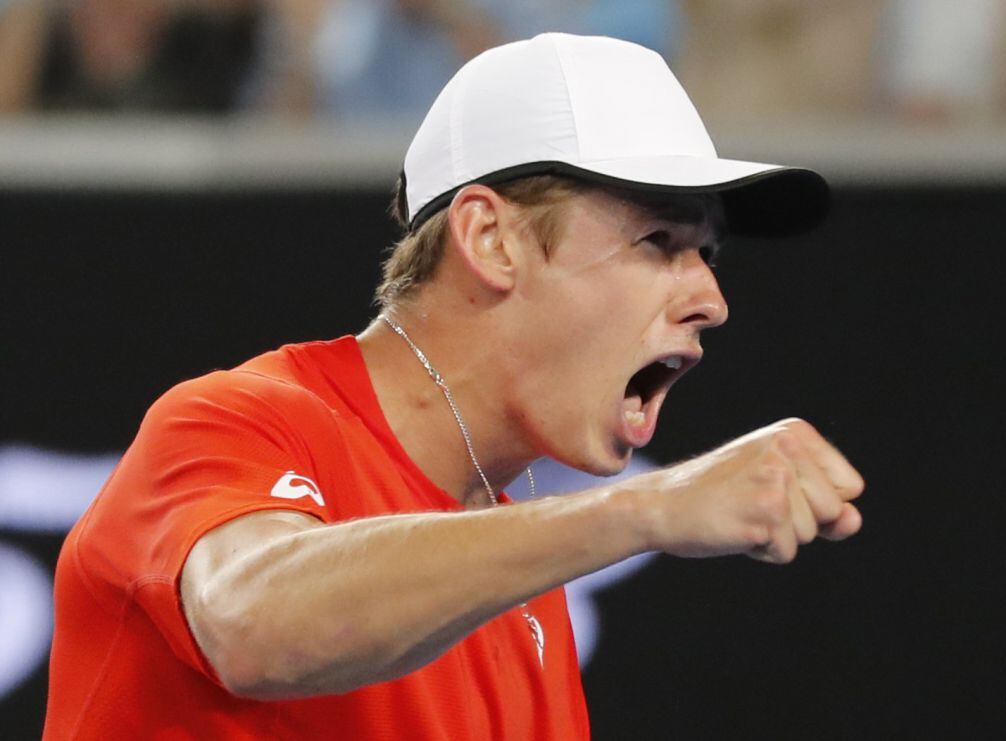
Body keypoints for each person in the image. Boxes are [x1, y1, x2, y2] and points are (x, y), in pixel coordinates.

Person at [43, 32, 864, 739]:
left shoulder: (524, 597)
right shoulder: (237, 418)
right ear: (490, 239)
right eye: (658, 241)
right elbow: (250, 624)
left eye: (708, 254)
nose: (711, 300)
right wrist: (648, 510)